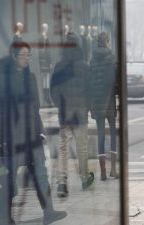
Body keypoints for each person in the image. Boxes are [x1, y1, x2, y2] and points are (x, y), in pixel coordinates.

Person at [0, 41, 66, 225]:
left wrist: (40, 131)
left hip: (31, 137)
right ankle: (2, 218)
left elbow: (34, 107)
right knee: (7, 178)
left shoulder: (30, 78)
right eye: (23, 55)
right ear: (14, 57)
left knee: (41, 173)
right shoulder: (2, 80)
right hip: (11, 138)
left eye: (28, 55)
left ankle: (49, 211)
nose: (27, 58)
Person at [50, 32, 94, 197]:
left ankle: (62, 183)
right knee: (82, 148)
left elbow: (54, 91)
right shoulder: (84, 66)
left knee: (63, 148)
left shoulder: (59, 66)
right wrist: (87, 107)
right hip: (80, 113)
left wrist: (60, 105)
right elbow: (90, 91)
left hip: (65, 113)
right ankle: (84, 178)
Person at [90, 32, 119, 181]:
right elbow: (116, 81)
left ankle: (102, 172)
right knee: (113, 133)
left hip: (97, 102)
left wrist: (91, 104)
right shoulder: (112, 58)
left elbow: (89, 83)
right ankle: (113, 169)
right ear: (107, 42)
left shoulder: (92, 60)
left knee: (101, 134)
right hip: (110, 102)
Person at [38, 23, 53, 106]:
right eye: (46, 28)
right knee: (45, 79)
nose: (47, 29)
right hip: (45, 61)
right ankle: (46, 97)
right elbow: (46, 51)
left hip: (44, 61)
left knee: (45, 79)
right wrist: (50, 62)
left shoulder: (43, 38)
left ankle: (46, 97)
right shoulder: (43, 38)